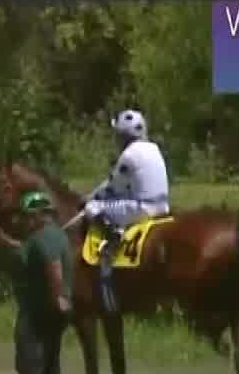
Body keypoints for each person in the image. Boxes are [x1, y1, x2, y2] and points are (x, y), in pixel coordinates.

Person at [65, 109, 171, 310]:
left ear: (123, 135)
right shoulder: (154, 148)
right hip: (163, 206)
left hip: (143, 208)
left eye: (118, 136)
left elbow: (112, 187)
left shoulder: (129, 154)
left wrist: (90, 197)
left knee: (93, 207)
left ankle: (112, 235)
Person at [11, 190, 73, 374]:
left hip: (39, 310)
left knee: (30, 362)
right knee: (50, 363)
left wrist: (57, 295)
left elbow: (53, 266)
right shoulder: (56, 235)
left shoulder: (41, 238)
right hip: (56, 312)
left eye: (27, 216)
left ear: (38, 215)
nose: (24, 221)